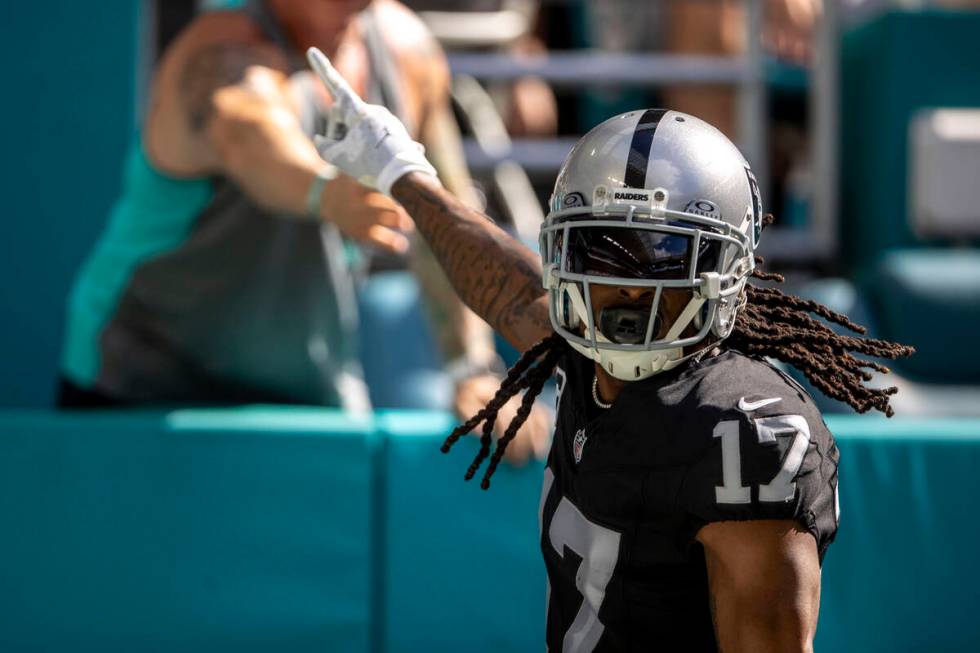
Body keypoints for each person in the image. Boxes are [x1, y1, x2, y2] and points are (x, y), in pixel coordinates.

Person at [306, 48, 914, 651]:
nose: (629, 284)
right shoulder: (584, 354)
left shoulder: (743, 430)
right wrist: (398, 169)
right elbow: (503, 284)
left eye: (665, 254)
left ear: (727, 270)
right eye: (602, 250)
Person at [58, 0, 549, 460]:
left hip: (304, 391)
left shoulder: (406, 50)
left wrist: (471, 368)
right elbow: (247, 132)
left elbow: (444, 217)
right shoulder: (219, 52)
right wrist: (326, 192)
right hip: (139, 390)